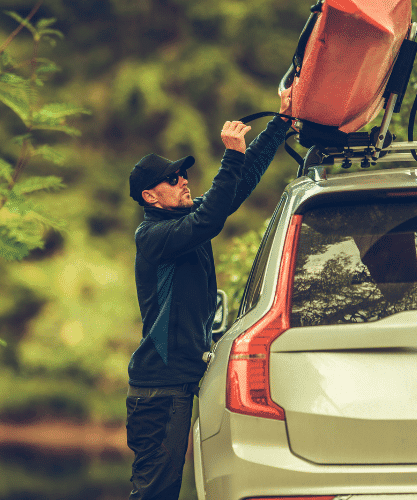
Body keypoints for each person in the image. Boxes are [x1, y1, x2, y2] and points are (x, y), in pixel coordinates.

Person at [125, 89, 293, 500]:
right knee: (155, 493)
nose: (183, 180)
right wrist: (230, 155)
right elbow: (211, 216)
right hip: (159, 389)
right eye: (172, 178)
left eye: (183, 175)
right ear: (151, 196)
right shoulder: (156, 236)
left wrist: (281, 123)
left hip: (180, 383)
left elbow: (237, 186)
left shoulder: (185, 222)